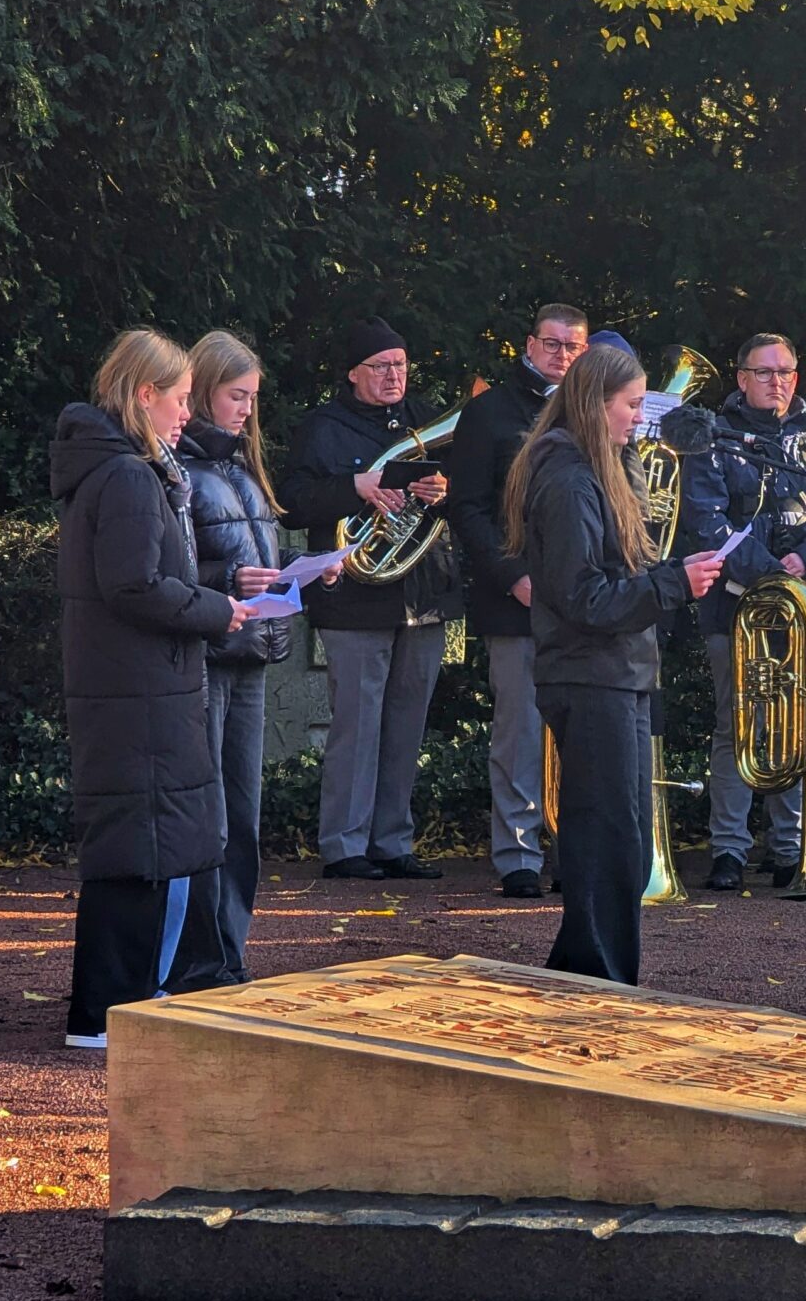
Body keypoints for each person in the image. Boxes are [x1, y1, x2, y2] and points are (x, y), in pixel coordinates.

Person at [52, 328, 250, 1051]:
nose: (185, 414)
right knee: (136, 849)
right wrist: (216, 609)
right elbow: (134, 585)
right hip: (136, 686)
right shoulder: (129, 475)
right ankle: (106, 1009)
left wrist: (218, 591)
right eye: (178, 398)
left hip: (134, 684)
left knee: (147, 845)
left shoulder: (115, 470)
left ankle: (128, 996)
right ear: (144, 394)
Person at [505, 342, 723, 981]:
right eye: (631, 406)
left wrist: (671, 575)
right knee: (606, 834)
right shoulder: (568, 479)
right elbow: (582, 597)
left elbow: (614, 578)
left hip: (620, 669)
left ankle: (594, 965)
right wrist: (673, 584)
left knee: (624, 835)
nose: (640, 418)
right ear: (596, 406)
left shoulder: (606, 469)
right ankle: (599, 973)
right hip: (589, 669)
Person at [169, 331, 341, 991]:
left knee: (243, 815)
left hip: (250, 654)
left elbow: (250, 567)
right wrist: (231, 581)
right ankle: (199, 959)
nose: (246, 409)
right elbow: (173, 568)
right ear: (205, 390)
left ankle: (227, 952)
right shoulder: (179, 468)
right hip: (208, 655)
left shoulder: (244, 467)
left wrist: (301, 579)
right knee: (209, 814)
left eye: (252, 398)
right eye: (236, 396)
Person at [670, 332, 806, 891]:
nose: (775, 381)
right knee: (737, 724)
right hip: (734, 607)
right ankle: (729, 849)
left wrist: (805, 559)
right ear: (741, 379)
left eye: (783, 373)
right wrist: (770, 573)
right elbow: (703, 518)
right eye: (763, 372)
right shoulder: (711, 437)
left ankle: (790, 848)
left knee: (799, 724)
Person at [278, 318, 456, 882]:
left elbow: (474, 492)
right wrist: (354, 489)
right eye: (381, 367)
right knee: (357, 722)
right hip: (354, 596)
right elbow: (293, 500)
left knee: (407, 722)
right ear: (353, 373)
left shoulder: (428, 419)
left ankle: (392, 841)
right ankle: (344, 845)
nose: (393, 376)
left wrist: (442, 488)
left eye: (400, 365)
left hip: (422, 590)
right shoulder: (323, 429)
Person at [447, 302, 589, 896]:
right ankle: (520, 855)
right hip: (519, 597)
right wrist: (512, 576)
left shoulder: (593, 414)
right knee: (520, 732)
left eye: (573, 347)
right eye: (552, 344)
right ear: (528, 346)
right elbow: (467, 507)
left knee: (584, 732)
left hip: (587, 598)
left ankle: (578, 852)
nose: (561, 356)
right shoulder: (488, 413)